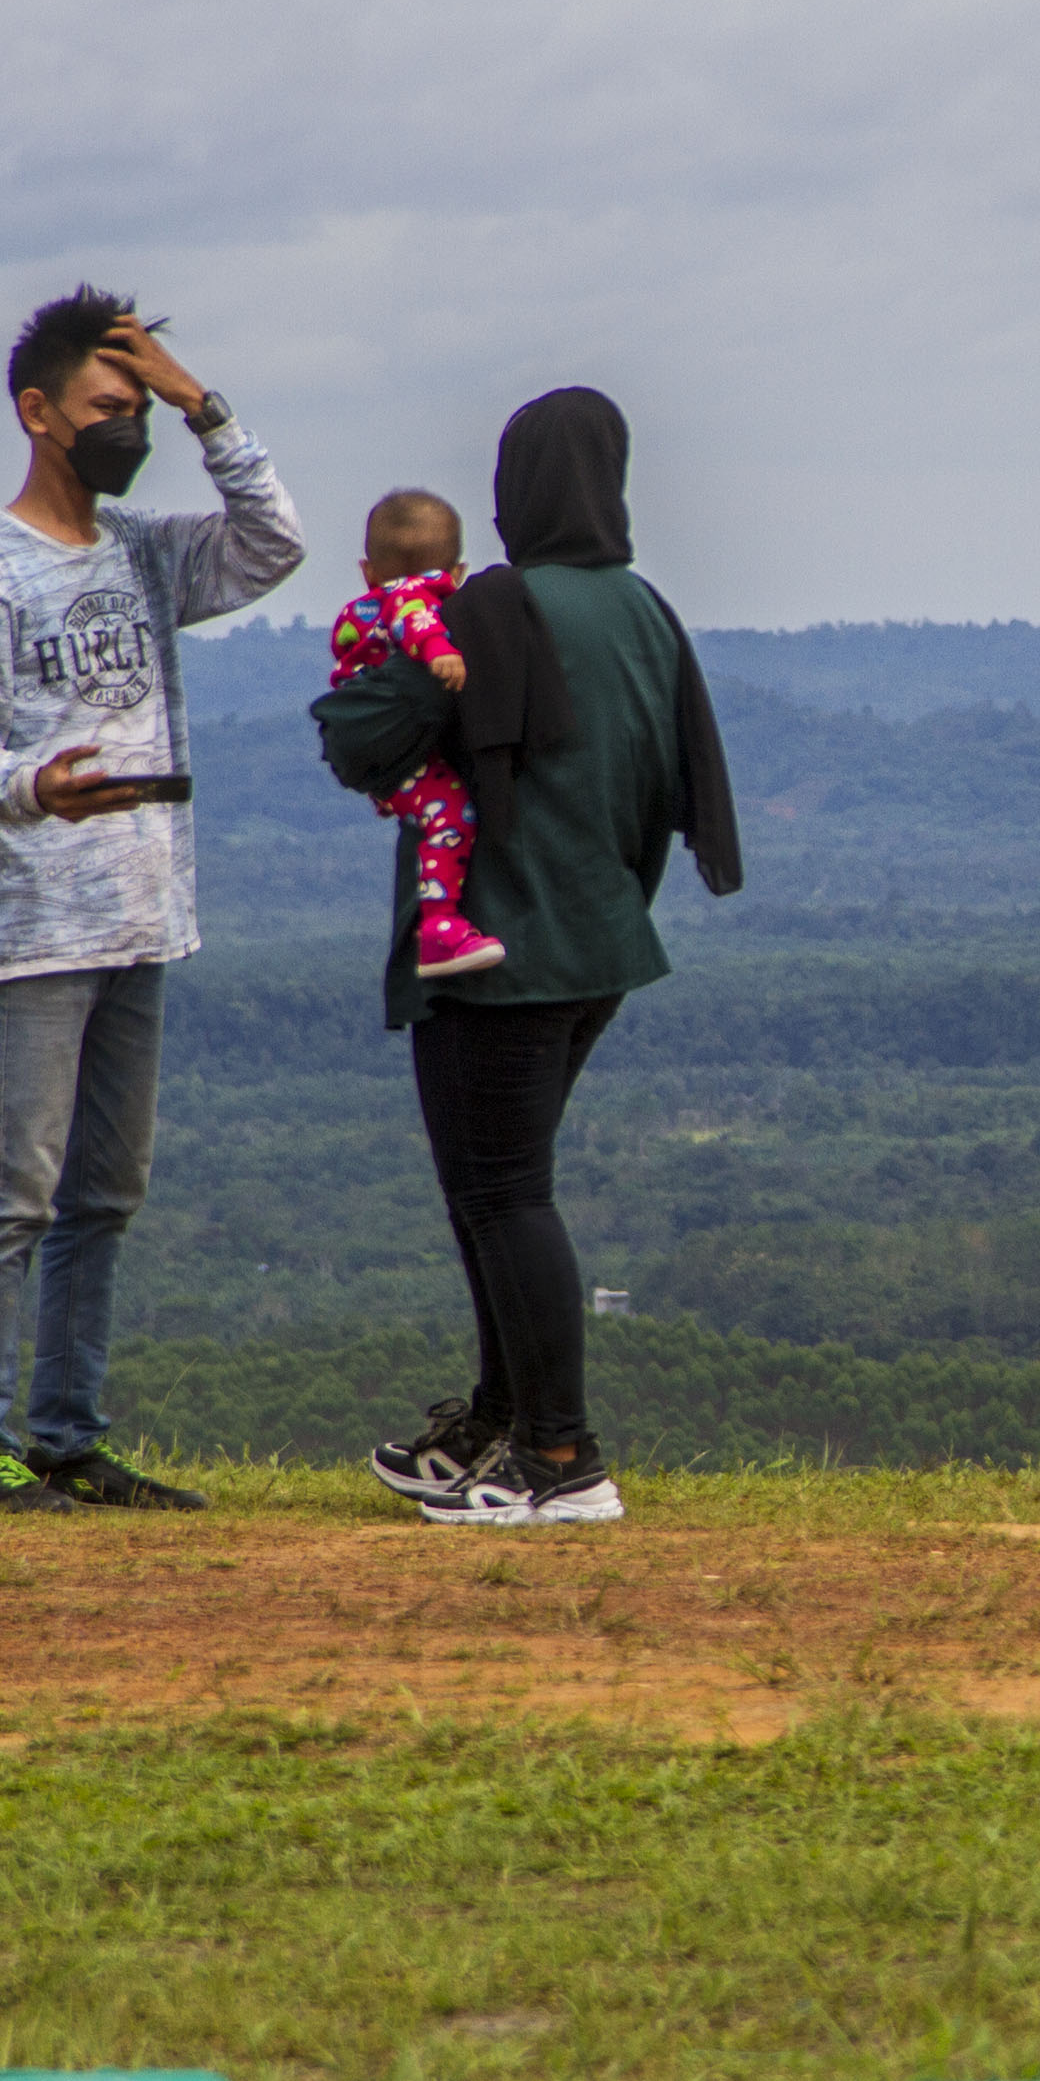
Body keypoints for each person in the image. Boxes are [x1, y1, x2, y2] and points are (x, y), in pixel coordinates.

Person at [0, 287, 305, 1514]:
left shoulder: (143, 551)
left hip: (142, 917)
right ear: (38, 413)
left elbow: (273, 542)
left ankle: (67, 1435)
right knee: (18, 1191)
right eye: (107, 407)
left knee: (104, 1194)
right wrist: (32, 786)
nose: (125, 427)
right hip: (36, 926)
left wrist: (205, 408)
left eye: (135, 407)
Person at [316, 388, 742, 1528]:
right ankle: (505, 1419)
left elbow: (361, 743)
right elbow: (665, 786)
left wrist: (383, 670)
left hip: (497, 951)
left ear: (514, 489)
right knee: (491, 1192)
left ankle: (561, 1453)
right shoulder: (643, 610)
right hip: (600, 942)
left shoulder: (494, 604)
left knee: (501, 1196)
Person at [329, 489, 504, 979]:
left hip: (382, 750)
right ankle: (441, 927)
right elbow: (415, 616)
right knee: (452, 814)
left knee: (423, 806)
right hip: (409, 758)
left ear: (367, 571)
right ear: (457, 574)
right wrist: (439, 651)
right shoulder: (413, 597)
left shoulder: (362, 611)